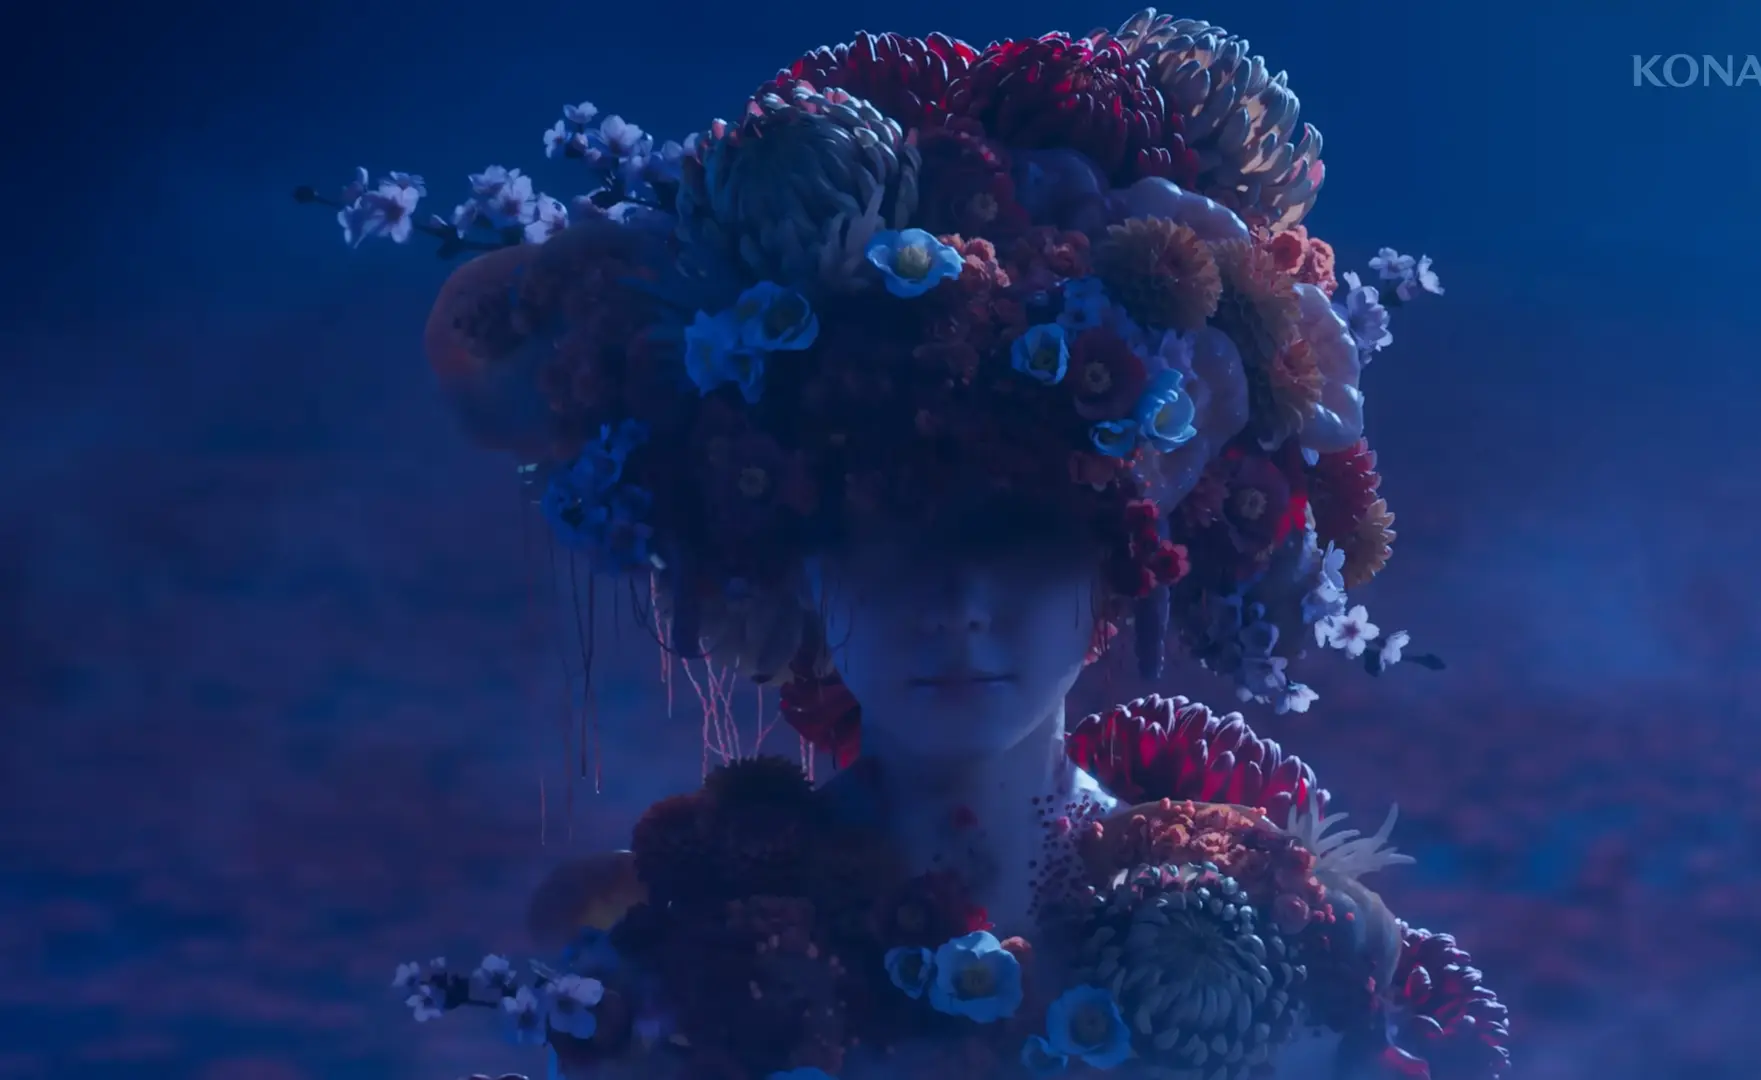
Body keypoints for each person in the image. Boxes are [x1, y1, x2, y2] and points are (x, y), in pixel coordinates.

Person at [310, 11, 1506, 1079]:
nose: (957, 600)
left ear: (1121, 563)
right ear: (795, 560)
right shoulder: (663, 983)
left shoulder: (1289, 952)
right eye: (884, 536)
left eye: (1019, 535)